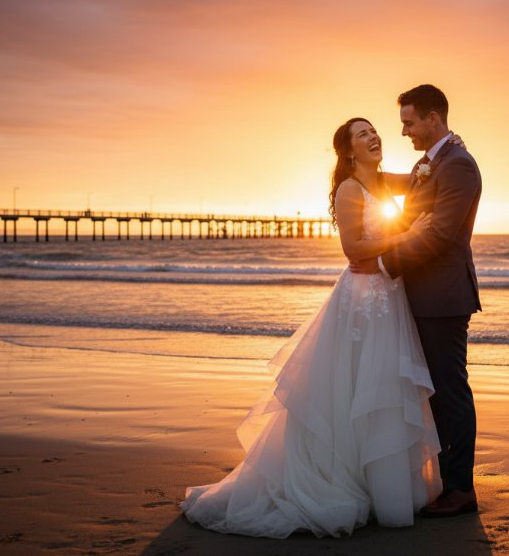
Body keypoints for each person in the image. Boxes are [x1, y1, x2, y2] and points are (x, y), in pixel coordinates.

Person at [180, 117, 444, 538]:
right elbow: (353, 249)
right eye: (363, 134)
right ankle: (340, 481)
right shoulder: (350, 189)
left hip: (389, 297)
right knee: (351, 390)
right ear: (348, 150)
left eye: (375, 131)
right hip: (361, 301)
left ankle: (381, 488)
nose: (374, 137)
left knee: (382, 391)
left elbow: (422, 178)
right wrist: (406, 235)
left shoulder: (384, 181)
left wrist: (446, 151)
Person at [352, 84, 482, 517]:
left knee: (449, 391)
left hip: (443, 297)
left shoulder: (459, 165)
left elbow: (441, 233)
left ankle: (461, 489)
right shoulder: (431, 163)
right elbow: (408, 196)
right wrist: (356, 174)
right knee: (433, 391)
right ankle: (446, 481)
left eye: (409, 122)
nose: (404, 130)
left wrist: (387, 262)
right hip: (423, 294)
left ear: (433, 118)